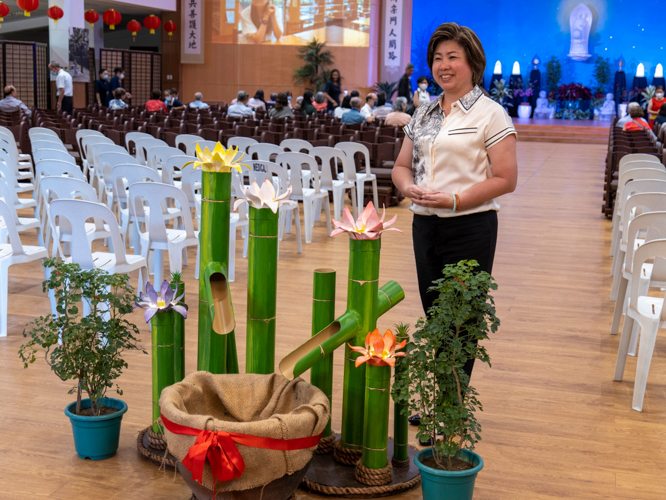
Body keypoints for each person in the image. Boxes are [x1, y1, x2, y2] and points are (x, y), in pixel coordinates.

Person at [391, 23, 517, 436]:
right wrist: (407, 187)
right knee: (436, 318)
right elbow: (401, 166)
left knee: (461, 322)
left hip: (470, 227)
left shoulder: (490, 113)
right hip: (425, 227)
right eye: (438, 58)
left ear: (471, 63)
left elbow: (506, 178)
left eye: (452, 58)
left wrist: (455, 200)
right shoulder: (425, 112)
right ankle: (441, 404)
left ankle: (451, 413)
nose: (443, 66)